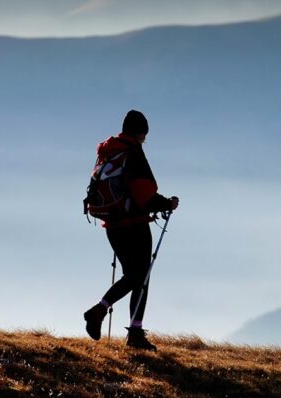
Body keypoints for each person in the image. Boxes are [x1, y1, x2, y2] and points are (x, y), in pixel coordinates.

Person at [83, 110, 179, 350]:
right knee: (140, 277)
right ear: (141, 133)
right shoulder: (133, 153)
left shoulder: (108, 151)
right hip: (133, 224)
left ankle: (106, 314)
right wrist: (167, 203)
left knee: (132, 275)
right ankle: (127, 328)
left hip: (112, 225)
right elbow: (142, 193)